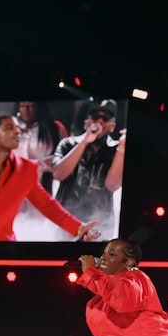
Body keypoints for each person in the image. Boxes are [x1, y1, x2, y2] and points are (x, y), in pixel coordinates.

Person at [53, 99, 126, 239]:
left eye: (105, 118)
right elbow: (58, 174)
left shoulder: (117, 150)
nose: (99, 122)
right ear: (86, 122)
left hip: (100, 224)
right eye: (95, 117)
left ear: (112, 126)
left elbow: (112, 185)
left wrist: (121, 148)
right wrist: (85, 141)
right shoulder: (68, 144)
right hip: (65, 221)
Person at [14, 101, 68, 194]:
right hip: (14, 183)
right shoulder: (10, 128)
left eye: (31, 106)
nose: (26, 110)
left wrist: (39, 165)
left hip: (42, 183)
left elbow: (66, 155)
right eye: (22, 105)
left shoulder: (53, 128)